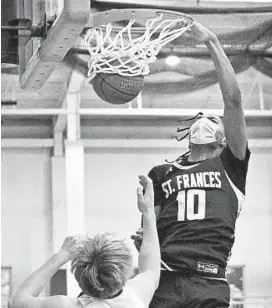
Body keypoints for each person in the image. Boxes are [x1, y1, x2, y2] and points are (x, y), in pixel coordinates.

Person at [131, 21, 251, 308]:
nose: (206, 119)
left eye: (215, 118)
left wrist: (211, 41)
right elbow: (149, 234)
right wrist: (146, 234)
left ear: (223, 140)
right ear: (188, 138)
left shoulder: (231, 165)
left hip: (209, 281)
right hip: (164, 279)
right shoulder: (160, 173)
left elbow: (233, 101)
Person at [8, 175, 160, 308]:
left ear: (81, 277)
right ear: (126, 269)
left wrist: (62, 255)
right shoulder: (137, 295)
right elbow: (151, 268)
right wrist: (148, 213)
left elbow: (17, 302)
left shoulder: (66, 305)